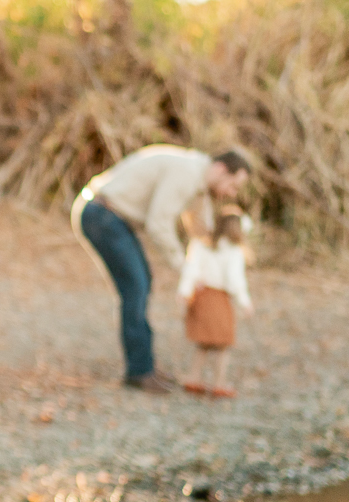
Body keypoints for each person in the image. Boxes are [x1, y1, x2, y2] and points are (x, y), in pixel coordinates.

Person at [70, 146, 252, 393]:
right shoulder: (188, 173)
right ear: (220, 169)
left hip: (112, 218)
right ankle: (139, 372)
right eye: (233, 185)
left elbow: (202, 227)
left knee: (142, 283)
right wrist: (185, 268)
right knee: (136, 287)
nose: (231, 193)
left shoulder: (198, 181)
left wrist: (222, 254)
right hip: (102, 214)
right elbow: (158, 223)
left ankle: (144, 366)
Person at [178, 207, 254, 398]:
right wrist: (244, 301)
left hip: (201, 298)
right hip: (219, 299)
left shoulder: (202, 244)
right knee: (222, 345)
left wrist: (184, 292)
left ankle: (193, 378)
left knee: (203, 343)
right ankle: (219, 383)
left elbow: (191, 269)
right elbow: (234, 279)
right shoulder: (233, 251)